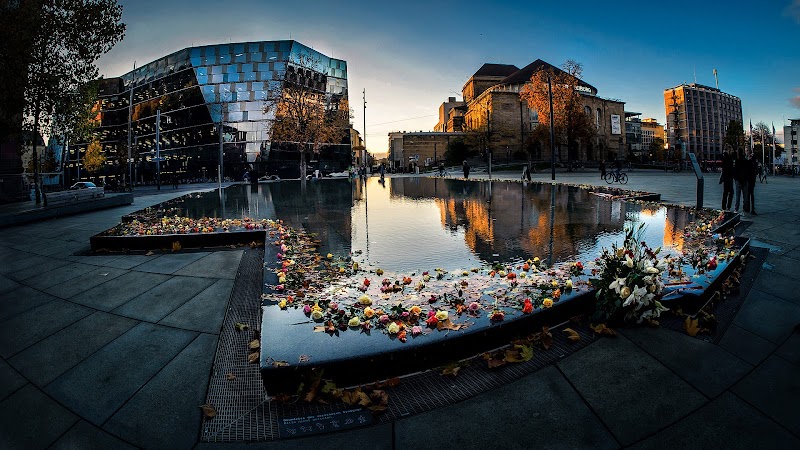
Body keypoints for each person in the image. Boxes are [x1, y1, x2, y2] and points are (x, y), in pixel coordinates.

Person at [720, 146, 734, 211]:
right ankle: (728, 206)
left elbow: (723, 169)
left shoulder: (724, 157)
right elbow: (730, 168)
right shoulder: (729, 158)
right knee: (731, 192)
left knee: (725, 192)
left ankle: (724, 206)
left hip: (725, 177)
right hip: (729, 177)